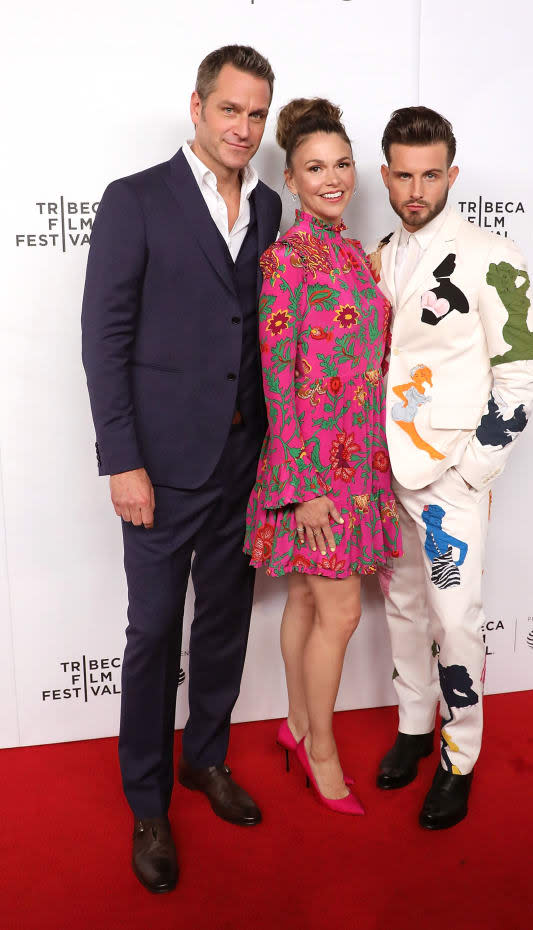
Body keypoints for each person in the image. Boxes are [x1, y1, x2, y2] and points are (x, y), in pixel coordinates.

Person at [81, 46, 281, 892]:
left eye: (257, 115)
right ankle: (149, 801)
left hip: (245, 459)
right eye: (230, 110)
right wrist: (122, 460)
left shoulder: (271, 206)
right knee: (153, 634)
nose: (243, 128)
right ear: (196, 107)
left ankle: (206, 759)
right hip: (159, 467)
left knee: (225, 621)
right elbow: (105, 339)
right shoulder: (135, 201)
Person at [368, 106, 533, 829]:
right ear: (384, 175)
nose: (417, 189)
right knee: (404, 608)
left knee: (455, 620)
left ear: (452, 174)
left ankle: (459, 754)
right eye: (404, 175)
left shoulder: (491, 255)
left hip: (449, 477)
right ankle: (414, 726)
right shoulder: (375, 255)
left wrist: (473, 472)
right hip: (383, 470)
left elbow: (522, 378)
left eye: (431, 174)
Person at [244, 98, 401, 816]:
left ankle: (296, 726)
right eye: (315, 167)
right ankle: (321, 748)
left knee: (311, 599)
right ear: (290, 178)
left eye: (341, 164)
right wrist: (304, 489)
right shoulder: (285, 260)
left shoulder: (349, 250)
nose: (333, 177)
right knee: (340, 614)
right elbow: (280, 382)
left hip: (358, 461)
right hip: (316, 472)